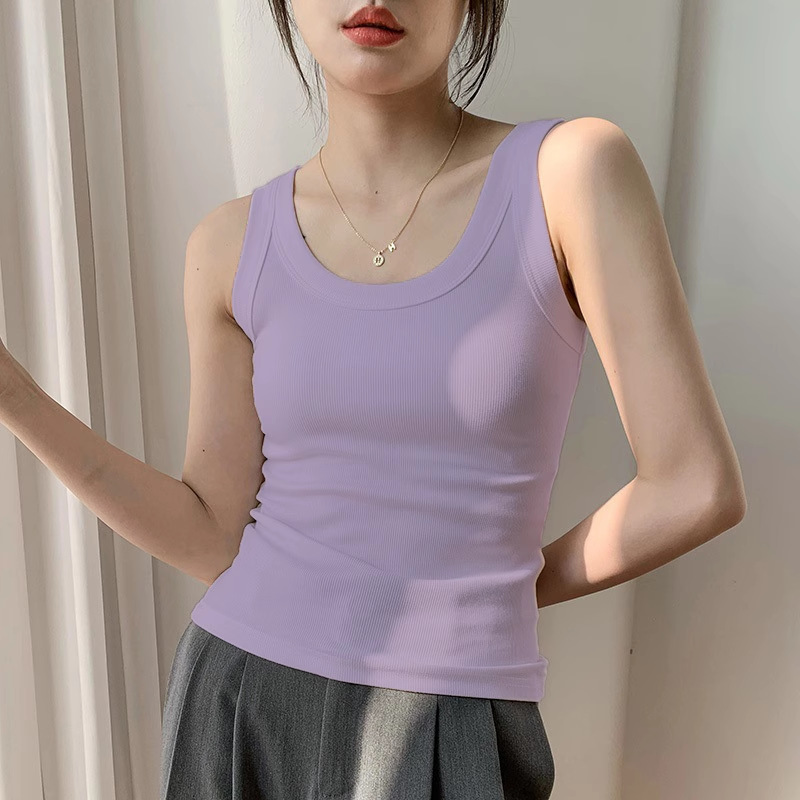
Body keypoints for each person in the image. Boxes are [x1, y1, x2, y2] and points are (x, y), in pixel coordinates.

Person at [0, 1, 747, 798]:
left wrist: (504, 587)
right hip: (244, 695)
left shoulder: (570, 173)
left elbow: (693, 485)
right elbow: (214, 534)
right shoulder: (230, 243)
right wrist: (16, 396)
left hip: (452, 706)